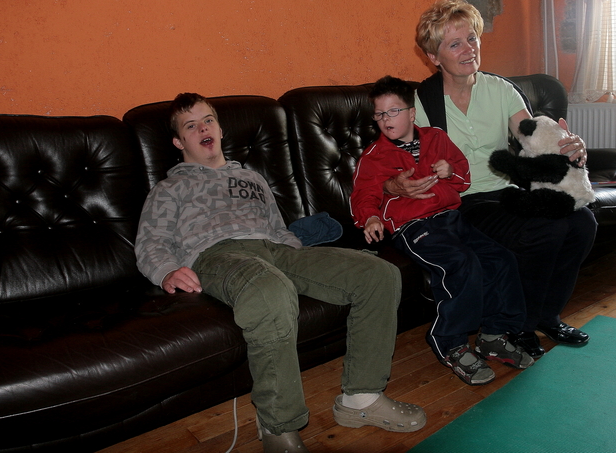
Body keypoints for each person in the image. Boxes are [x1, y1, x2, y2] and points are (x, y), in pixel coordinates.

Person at [135, 93, 426, 453]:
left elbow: (277, 228)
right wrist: (167, 271)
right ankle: (278, 425)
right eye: (190, 126)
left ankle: (362, 399)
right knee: (270, 292)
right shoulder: (169, 188)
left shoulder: (252, 178)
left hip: (276, 250)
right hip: (218, 255)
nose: (203, 129)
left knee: (379, 274)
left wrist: (302, 257)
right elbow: (150, 242)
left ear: (220, 129)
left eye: (208, 120)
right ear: (179, 142)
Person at [385, 0, 597, 358]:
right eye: (455, 44)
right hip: (462, 202)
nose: (469, 49)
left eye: (472, 38)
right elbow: (395, 163)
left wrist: (571, 146)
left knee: (582, 223)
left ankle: (547, 315)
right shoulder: (422, 102)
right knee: (544, 230)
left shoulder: (500, 89)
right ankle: (521, 325)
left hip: (506, 192)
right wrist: (394, 184)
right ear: (434, 56)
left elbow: (534, 137)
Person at [350, 76, 533, 386]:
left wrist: (451, 170)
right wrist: (370, 218)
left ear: (411, 113)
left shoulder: (436, 138)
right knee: (460, 262)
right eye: (379, 114)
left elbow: (463, 178)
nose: (385, 119)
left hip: (450, 218)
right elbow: (363, 194)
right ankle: (450, 343)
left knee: (501, 259)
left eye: (393, 111)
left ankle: (493, 334)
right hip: (413, 227)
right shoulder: (374, 156)